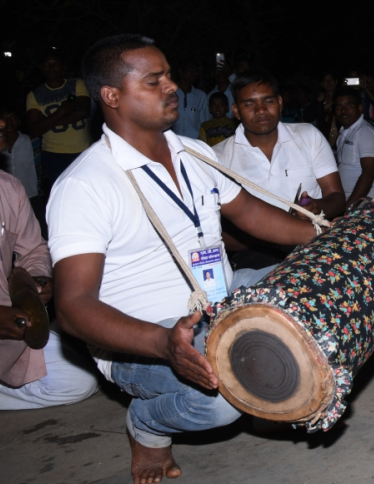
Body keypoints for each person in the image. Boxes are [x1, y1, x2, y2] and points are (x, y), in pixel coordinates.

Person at [48, 35, 320, 484]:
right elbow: (73, 308)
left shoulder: (194, 152)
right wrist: (162, 344)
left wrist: (324, 236)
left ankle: (264, 396)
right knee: (221, 397)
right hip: (145, 338)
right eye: (154, 81)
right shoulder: (85, 184)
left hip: (219, 298)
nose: (172, 86)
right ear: (112, 96)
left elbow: (250, 214)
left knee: (319, 282)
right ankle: (146, 426)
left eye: (170, 76)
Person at [0, 100, 99, 411]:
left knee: (80, 381)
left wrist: (37, 278)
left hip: (7, 323)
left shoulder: (7, 187)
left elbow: (34, 249)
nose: (0, 122)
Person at [214, 70, 345, 268]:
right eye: (249, 104)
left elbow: (337, 197)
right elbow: (216, 234)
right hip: (256, 258)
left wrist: (316, 207)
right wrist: (274, 231)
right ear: (236, 111)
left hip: (313, 250)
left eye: (268, 101)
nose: (261, 110)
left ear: (280, 103)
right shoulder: (217, 157)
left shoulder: (309, 136)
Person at [23, 50, 92, 189]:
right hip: (53, 154)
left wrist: (47, 121)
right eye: (46, 64)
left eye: (55, 64)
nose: (51, 68)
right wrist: (63, 111)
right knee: (58, 192)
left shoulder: (76, 84)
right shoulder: (34, 95)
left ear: (62, 67)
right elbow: (34, 129)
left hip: (83, 151)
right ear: (41, 68)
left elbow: (83, 112)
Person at [334, 87, 374, 206]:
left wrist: (349, 207)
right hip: (350, 199)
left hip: (369, 201)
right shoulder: (342, 134)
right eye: (339, 106)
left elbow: (369, 173)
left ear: (360, 108)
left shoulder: (365, 131)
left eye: (349, 105)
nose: (343, 110)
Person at [0, 108, 39, 199]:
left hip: (29, 195)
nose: (9, 121)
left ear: (19, 121)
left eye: (12, 118)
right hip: (3, 196)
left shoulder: (32, 142)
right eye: (4, 118)